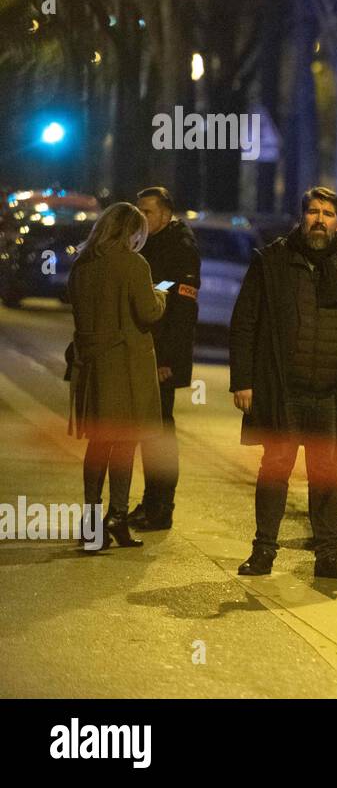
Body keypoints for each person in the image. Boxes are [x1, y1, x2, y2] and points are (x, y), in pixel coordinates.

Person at [230, 187, 337, 581]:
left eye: (328, 213)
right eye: (313, 212)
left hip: (333, 394)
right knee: (275, 471)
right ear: (302, 217)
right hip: (285, 390)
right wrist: (243, 381)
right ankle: (263, 550)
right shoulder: (274, 260)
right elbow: (246, 321)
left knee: (328, 478)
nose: (320, 219)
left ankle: (328, 555)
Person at [66, 202, 168, 551]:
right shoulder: (133, 264)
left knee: (98, 444)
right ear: (130, 231)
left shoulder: (82, 264)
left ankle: (92, 523)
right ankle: (118, 517)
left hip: (93, 366)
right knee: (124, 443)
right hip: (126, 366)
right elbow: (148, 311)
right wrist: (160, 295)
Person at [124, 187, 200, 532]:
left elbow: (181, 308)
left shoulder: (179, 247)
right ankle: (152, 503)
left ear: (166, 214)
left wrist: (166, 358)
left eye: (147, 211)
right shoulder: (149, 241)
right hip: (148, 352)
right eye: (138, 210)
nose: (141, 217)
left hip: (163, 357)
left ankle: (160, 507)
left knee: (159, 433)